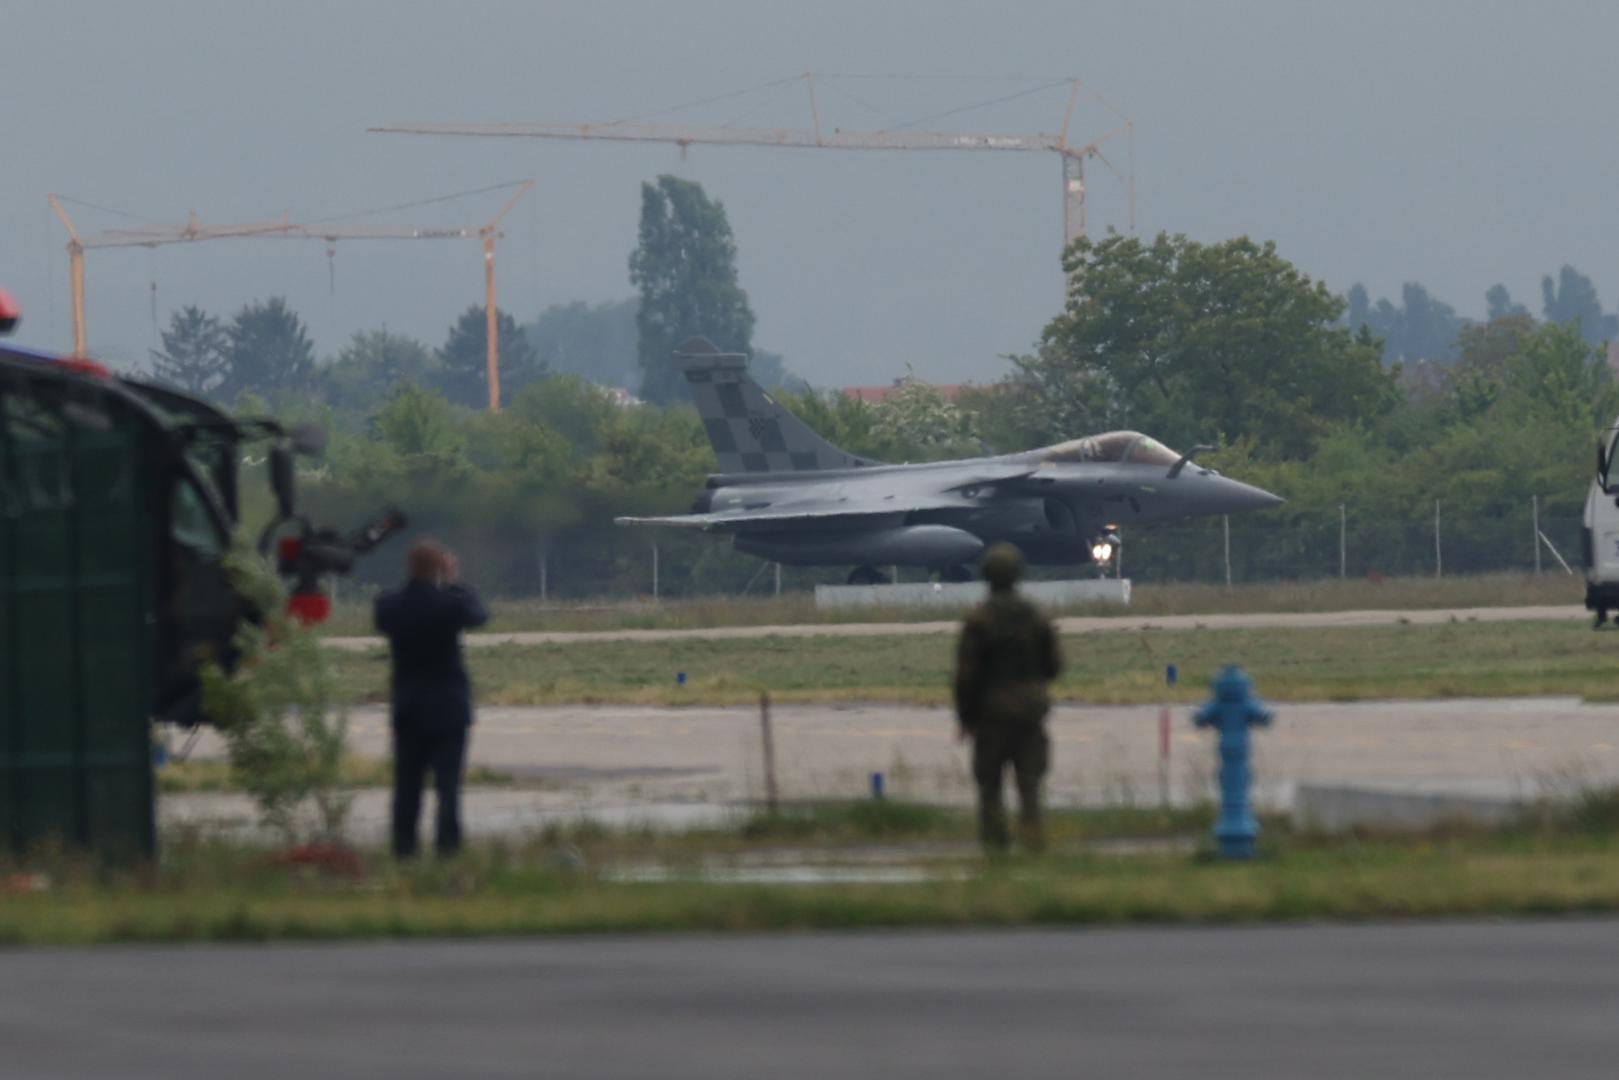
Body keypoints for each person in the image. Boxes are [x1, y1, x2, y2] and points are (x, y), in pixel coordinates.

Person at [374, 539, 489, 857]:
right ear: (439, 567)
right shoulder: (450, 605)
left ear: (409, 566)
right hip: (448, 707)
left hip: (409, 707)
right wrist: (454, 582)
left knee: (407, 786)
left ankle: (404, 849)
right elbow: (479, 615)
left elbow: (383, 617)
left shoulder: (390, 605)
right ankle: (447, 848)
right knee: (448, 785)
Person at [952, 543, 1062, 854]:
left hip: (991, 715)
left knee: (989, 787)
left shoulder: (978, 620)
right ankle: (1033, 845)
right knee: (1030, 786)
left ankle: (994, 849)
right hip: (1029, 714)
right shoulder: (1036, 617)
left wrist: (965, 718)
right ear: (1018, 574)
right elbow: (1053, 667)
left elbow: (966, 676)